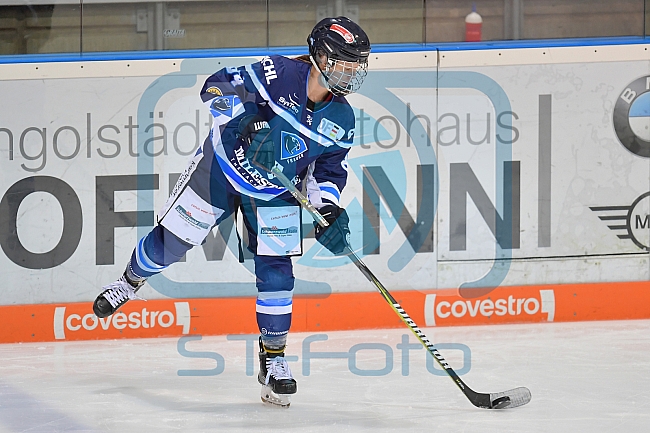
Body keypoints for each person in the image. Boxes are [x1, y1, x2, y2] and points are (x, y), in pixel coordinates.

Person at [92, 16, 371, 407]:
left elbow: (327, 169)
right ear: (320, 56)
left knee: (277, 272)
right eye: (344, 63)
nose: (351, 73)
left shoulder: (342, 118)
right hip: (220, 171)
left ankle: (273, 359)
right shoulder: (278, 73)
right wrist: (243, 119)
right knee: (167, 245)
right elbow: (215, 86)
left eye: (357, 65)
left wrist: (328, 207)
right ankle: (130, 281)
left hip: (277, 193)